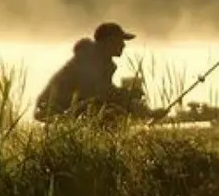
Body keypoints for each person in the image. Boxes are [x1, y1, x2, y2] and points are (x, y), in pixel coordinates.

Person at [34, 22, 166, 124]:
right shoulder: (89, 61)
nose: (123, 45)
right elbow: (99, 93)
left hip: (66, 107)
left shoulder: (100, 61)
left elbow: (103, 91)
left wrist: (128, 96)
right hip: (52, 110)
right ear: (108, 41)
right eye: (120, 41)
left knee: (112, 106)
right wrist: (130, 98)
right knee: (109, 108)